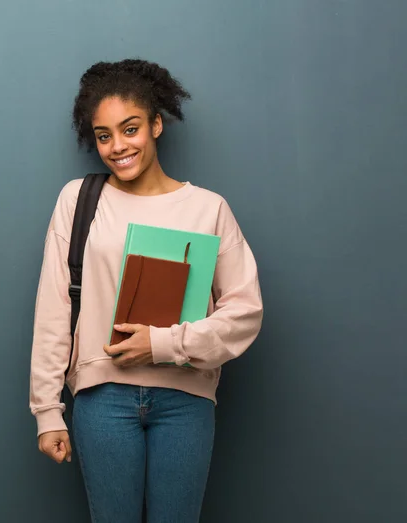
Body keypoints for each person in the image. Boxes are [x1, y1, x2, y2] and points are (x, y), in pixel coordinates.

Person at [29, 59, 263, 523]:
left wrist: (161, 343)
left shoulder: (208, 208)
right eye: (103, 135)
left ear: (156, 124)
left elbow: (245, 312)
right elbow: (54, 307)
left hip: (185, 398)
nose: (117, 146)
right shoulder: (78, 201)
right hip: (102, 398)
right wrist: (47, 411)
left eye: (130, 128)